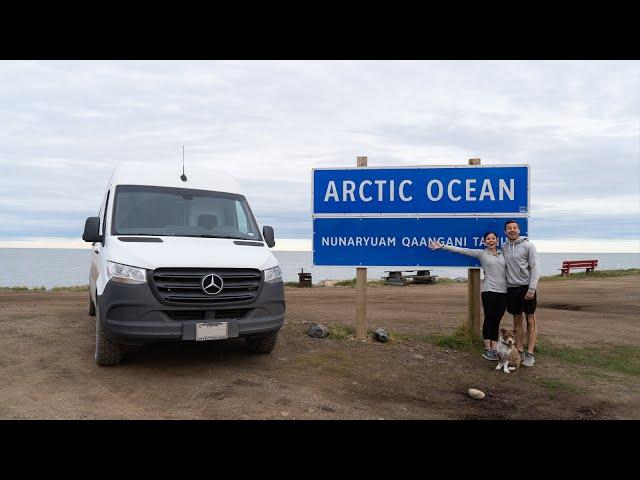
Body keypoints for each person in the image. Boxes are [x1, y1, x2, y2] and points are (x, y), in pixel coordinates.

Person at [429, 232, 507, 361]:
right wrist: (442, 246)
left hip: (503, 292)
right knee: (489, 318)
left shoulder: (503, 253)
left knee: (497, 320)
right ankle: (488, 349)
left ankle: (495, 347)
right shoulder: (481, 254)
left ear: (497, 240)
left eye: (493, 238)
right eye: (488, 239)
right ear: (484, 241)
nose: (491, 240)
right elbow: (462, 250)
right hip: (489, 291)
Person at [502, 219, 540, 367]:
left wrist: (532, 289)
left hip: (526, 287)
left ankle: (530, 354)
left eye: (515, 228)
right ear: (505, 232)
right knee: (517, 321)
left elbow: (535, 268)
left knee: (530, 319)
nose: (512, 230)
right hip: (512, 288)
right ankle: (520, 350)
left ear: (519, 230)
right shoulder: (504, 247)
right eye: (509, 228)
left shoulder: (528, 245)